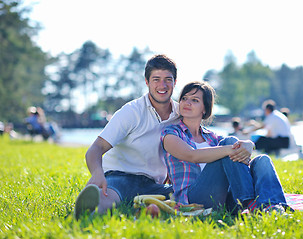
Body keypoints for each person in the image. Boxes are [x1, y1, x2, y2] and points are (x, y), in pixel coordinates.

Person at [74, 54, 181, 220]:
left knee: (185, 196)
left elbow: (200, 140)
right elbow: (96, 148)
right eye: (156, 79)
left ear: (175, 82)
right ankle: (90, 210)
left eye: (168, 79)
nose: (163, 85)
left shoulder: (180, 114)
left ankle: (146, 208)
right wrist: (97, 173)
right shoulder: (131, 112)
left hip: (154, 185)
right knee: (108, 196)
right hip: (120, 176)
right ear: (147, 82)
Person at [161, 82, 288, 214]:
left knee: (262, 160)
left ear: (205, 108)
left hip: (225, 198)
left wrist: (250, 144)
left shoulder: (213, 137)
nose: (187, 103)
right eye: (184, 98)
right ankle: (248, 203)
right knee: (230, 142)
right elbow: (192, 155)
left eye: (195, 100)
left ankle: (274, 207)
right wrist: (230, 148)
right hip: (193, 199)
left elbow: (239, 161)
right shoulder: (170, 133)